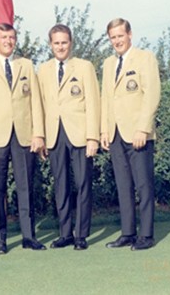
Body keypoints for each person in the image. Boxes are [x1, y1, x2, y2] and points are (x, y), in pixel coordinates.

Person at [0, 23, 46, 254]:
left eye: (12, 37)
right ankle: (0, 239)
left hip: (24, 135)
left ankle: (29, 236)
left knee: (26, 188)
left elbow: (35, 102)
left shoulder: (26, 65)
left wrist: (38, 133)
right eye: (3, 37)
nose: (8, 41)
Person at [37, 24, 100, 251]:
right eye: (56, 43)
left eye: (64, 42)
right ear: (50, 44)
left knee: (83, 184)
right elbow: (39, 105)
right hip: (54, 135)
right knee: (60, 186)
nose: (60, 46)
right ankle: (65, 233)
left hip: (80, 135)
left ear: (70, 43)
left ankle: (81, 234)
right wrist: (40, 136)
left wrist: (93, 136)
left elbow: (93, 102)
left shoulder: (84, 67)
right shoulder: (42, 70)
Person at [100, 18, 161, 251]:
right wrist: (104, 130)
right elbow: (106, 97)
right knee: (123, 185)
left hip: (138, 134)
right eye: (113, 37)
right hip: (115, 135)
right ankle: (127, 232)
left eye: (120, 36)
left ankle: (146, 235)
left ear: (130, 35)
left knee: (143, 185)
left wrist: (143, 128)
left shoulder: (145, 58)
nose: (117, 41)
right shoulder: (107, 64)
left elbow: (151, 94)